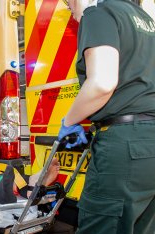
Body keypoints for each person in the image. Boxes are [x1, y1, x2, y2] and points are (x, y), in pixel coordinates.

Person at [58, 0, 155, 233]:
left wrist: (69, 122)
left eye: (68, 5)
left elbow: (102, 82)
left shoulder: (98, 12)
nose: (71, 12)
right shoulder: (144, 19)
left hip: (126, 145)